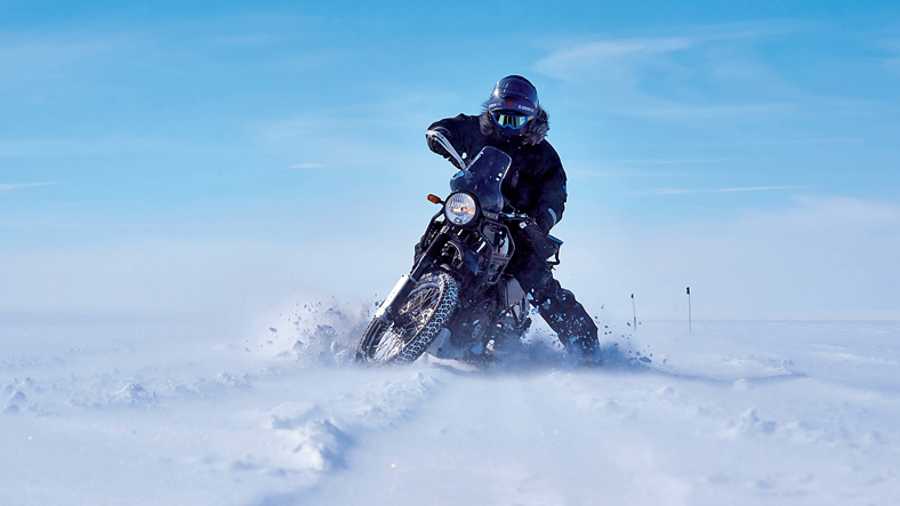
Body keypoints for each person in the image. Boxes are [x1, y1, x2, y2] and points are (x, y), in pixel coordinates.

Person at [425, 75, 599, 357]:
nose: (506, 125)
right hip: (474, 209)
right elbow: (443, 130)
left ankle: (586, 347)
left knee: (534, 277)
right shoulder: (476, 128)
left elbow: (555, 196)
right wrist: (439, 138)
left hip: (516, 226)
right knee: (435, 233)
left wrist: (540, 221)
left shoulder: (544, 156)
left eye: (515, 120)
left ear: (530, 120)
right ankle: (411, 305)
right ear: (491, 112)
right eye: (500, 117)